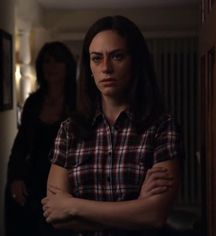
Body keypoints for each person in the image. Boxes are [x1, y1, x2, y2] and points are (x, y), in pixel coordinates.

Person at [41, 15, 183, 236]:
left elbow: (154, 215)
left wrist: (74, 205)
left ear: (135, 61)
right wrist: (135, 209)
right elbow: (56, 216)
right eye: (97, 58)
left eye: (117, 56)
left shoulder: (161, 126)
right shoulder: (70, 130)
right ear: (89, 66)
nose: (106, 68)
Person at [5, 41, 77, 236]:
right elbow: (21, 144)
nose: (51, 67)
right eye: (46, 61)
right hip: (33, 177)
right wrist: (16, 177)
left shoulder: (78, 101)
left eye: (57, 61)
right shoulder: (34, 102)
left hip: (65, 179)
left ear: (67, 66)